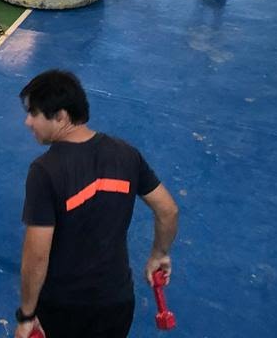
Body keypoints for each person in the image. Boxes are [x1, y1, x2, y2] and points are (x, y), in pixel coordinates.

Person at [15, 70, 178, 338]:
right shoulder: (126, 153)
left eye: (33, 113)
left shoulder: (45, 171)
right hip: (117, 301)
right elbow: (168, 210)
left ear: (61, 117)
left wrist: (27, 315)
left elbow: (37, 256)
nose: (27, 121)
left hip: (65, 308)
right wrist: (159, 254)